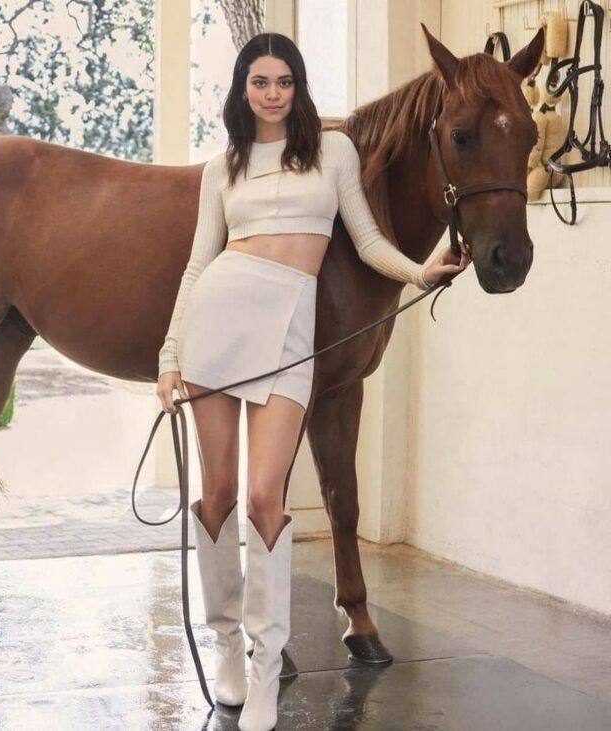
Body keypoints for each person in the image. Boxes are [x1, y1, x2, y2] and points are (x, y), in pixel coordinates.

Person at [156, 32, 468, 731]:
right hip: (216, 322)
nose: (272, 93)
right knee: (219, 494)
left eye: (284, 81)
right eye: (260, 81)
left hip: (289, 328)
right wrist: (171, 355)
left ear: (298, 88)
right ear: (243, 90)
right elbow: (198, 263)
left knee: (265, 496)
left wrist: (420, 273)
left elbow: (368, 240)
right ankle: (228, 648)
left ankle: (267, 668)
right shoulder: (223, 168)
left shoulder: (334, 152)